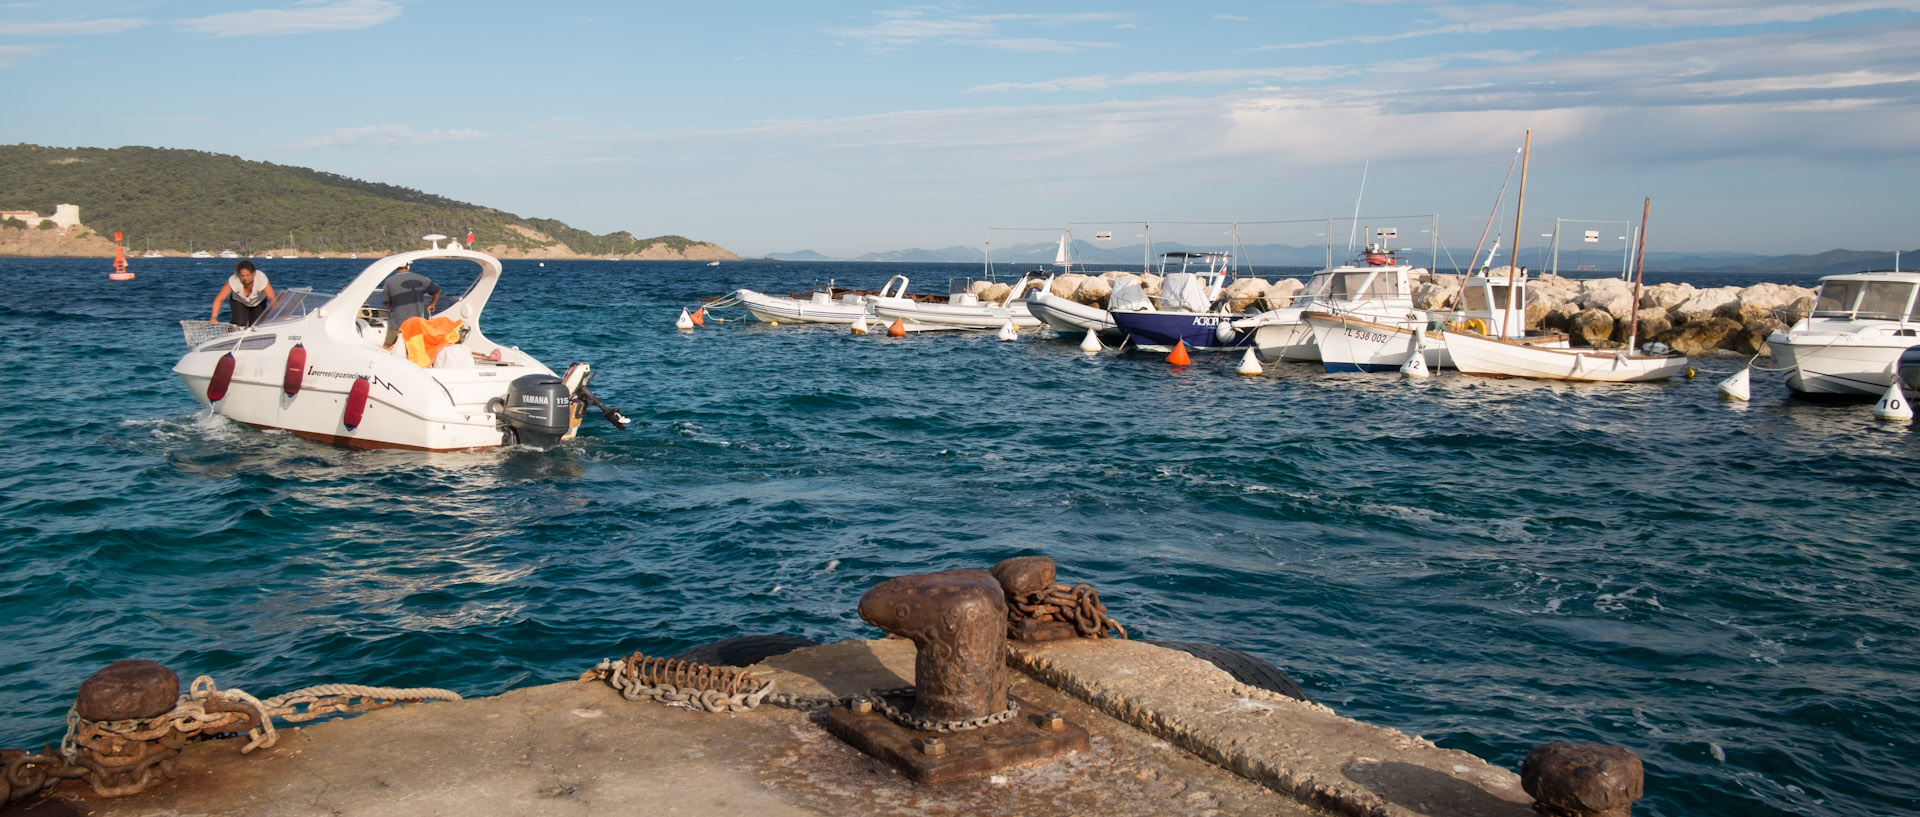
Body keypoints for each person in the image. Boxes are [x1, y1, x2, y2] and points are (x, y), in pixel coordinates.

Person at [381, 263, 442, 347]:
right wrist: (432, 304)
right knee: (415, 349)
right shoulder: (422, 279)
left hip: (396, 323)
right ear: (408, 266)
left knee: (388, 348)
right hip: (416, 323)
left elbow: (387, 303)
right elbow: (437, 290)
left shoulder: (389, 281)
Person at [209, 260, 276, 327]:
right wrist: (214, 317)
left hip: (258, 302)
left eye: (248, 275)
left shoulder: (261, 279)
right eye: (242, 276)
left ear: (254, 273)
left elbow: (272, 298)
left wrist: (277, 315)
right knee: (240, 322)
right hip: (238, 301)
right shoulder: (234, 280)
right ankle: (230, 332)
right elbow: (219, 299)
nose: (245, 278)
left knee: (256, 325)